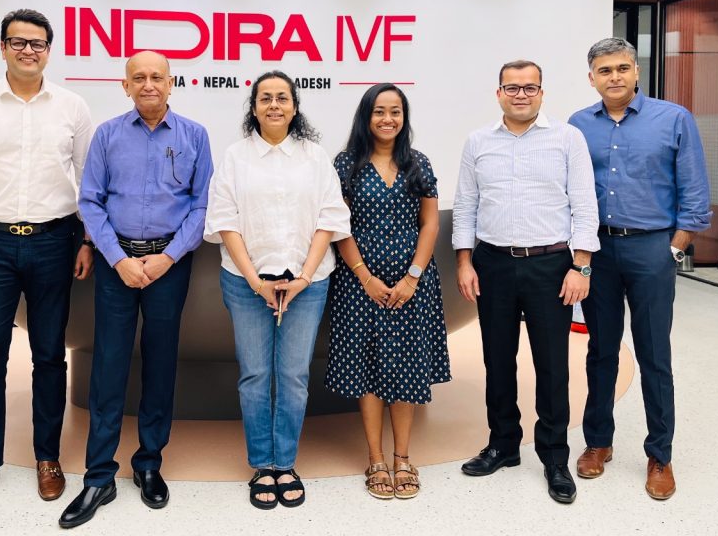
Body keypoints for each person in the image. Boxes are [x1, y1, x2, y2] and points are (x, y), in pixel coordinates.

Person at [0, 8, 94, 511]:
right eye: (18, 42)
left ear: (49, 50)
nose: (29, 50)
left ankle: (48, 457)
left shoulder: (72, 107)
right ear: (3, 48)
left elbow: (89, 181)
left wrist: (87, 241)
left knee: (49, 356)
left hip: (55, 242)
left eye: (38, 43)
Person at [58, 51, 212, 527]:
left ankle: (148, 464)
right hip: (116, 264)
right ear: (125, 86)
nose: (148, 84)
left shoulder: (195, 136)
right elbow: (91, 201)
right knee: (109, 365)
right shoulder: (107, 135)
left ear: (171, 83)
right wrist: (118, 259)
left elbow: (202, 205)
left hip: (170, 263)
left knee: (161, 363)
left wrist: (168, 257)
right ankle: (99, 476)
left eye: (156, 77)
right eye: (138, 77)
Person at [568, 37, 710, 501]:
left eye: (622, 68)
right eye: (604, 70)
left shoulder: (673, 119)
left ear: (636, 71)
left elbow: (694, 189)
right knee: (600, 351)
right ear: (591, 77)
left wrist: (675, 248)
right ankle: (598, 442)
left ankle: (660, 455)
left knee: (653, 354)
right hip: (598, 252)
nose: (614, 77)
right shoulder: (577, 126)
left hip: (652, 249)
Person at [452, 59, 599, 505]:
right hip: (492, 264)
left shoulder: (568, 138)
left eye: (529, 87)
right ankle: (503, 444)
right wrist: (464, 262)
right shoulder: (478, 141)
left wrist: (581, 266)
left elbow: (584, 204)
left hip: (550, 265)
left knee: (552, 364)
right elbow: (466, 205)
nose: (521, 95)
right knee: (497, 360)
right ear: (499, 93)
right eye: (512, 88)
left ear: (542, 92)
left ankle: (554, 456)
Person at [205, 71, 350, 510]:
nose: (274, 105)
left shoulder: (314, 156)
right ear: (253, 107)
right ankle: (261, 465)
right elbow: (224, 220)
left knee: (292, 375)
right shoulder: (236, 156)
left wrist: (304, 277)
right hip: (246, 282)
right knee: (254, 375)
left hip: (307, 283)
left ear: (294, 106)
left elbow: (330, 217)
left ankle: (285, 464)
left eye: (282, 98)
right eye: (265, 98)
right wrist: (256, 281)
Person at [325, 83, 450, 500]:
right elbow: (339, 226)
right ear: (366, 116)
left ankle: (403, 458)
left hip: (412, 285)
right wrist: (365, 277)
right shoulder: (346, 164)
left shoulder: (418, 163)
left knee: (406, 367)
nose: (387, 119)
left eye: (395, 111)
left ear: (404, 117)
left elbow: (430, 224)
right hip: (360, 284)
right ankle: (376, 459)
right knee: (368, 368)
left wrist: (412, 277)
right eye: (379, 111)